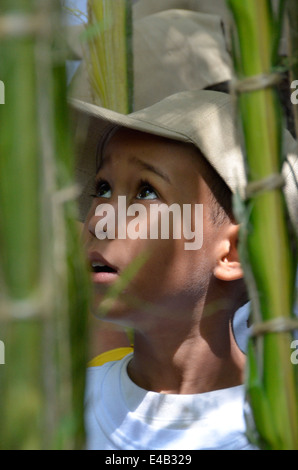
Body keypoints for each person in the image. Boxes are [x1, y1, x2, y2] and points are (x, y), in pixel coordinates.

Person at [72, 88, 297, 450]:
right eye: (102, 188)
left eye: (146, 192)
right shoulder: (56, 409)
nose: (99, 218)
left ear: (234, 253)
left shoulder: (279, 431)